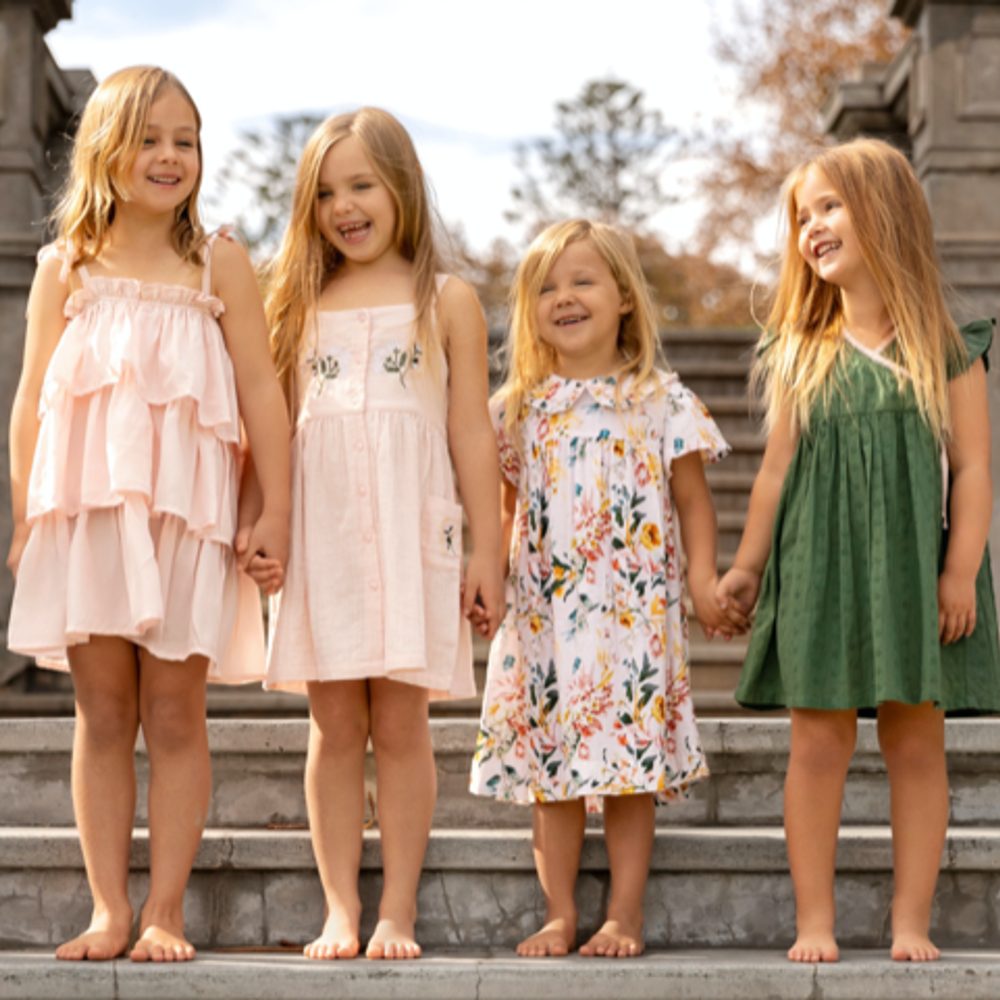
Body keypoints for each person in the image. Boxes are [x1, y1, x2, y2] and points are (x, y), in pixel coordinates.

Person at [6, 66, 290, 962]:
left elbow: (261, 395)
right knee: (100, 709)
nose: (170, 157)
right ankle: (107, 908)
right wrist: (27, 516)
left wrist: (271, 507)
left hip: (189, 516)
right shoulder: (66, 268)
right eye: (150, 139)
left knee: (175, 712)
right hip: (87, 512)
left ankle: (164, 907)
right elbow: (29, 401)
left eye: (186, 140)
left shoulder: (221, 262)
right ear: (105, 149)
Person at [716, 137, 1000, 963]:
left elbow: (975, 467)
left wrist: (959, 570)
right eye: (804, 216)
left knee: (916, 741)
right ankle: (816, 920)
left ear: (888, 213)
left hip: (916, 569)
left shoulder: (947, 346)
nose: (813, 227)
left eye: (830, 207)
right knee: (818, 742)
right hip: (819, 568)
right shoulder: (801, 351)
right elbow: (772, 476)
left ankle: (911, 920)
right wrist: (746, 566)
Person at [259, 107, 503, 961]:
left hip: (412, 528)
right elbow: (274, 426)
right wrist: (269, 523)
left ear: (400, 185)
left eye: (361, 185)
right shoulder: (293, 302)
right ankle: (340, 909)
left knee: (401, 725)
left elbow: (472, 431)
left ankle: (396, 907)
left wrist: (488, 549)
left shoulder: (447, 300)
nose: (344, 206)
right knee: (332, 723)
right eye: (325, 192)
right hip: (325, 529)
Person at [469, 219, 737, 958]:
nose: (564, 297)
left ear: (623, 296)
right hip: (548, 614)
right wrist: (485, 574)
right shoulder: (518, 408)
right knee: (552, 775)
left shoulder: (658, 398)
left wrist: (704, 580)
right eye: (546, 287)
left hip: (632, 617)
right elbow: (502, 507)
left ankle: (624, 913)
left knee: (628, 773)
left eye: (582, 281)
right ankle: (558, 912)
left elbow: (693, 502)